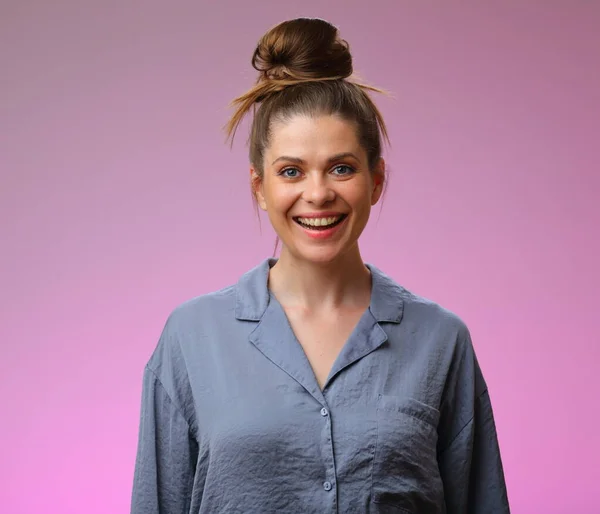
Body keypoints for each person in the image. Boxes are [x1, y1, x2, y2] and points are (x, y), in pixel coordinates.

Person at [131, 17, 510, 514]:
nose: (317, 194)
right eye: (291, 171)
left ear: (376, 181)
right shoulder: (191, 336)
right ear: (258, 187)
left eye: (341, 167)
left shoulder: (441, 341)